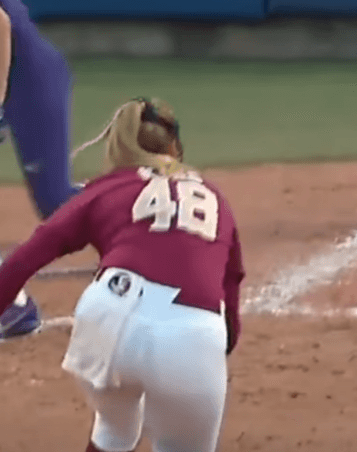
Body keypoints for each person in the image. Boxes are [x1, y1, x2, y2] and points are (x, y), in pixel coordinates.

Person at [0, 97, 245, 452]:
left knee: (114, 430)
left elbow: (24, 259)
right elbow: (231, 288)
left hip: (106, 318)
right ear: (175, 144)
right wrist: (217, 351)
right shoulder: (215, 198)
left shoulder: (106, 188)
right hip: (189, 335)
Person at [0, 0, 89, 337]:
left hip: (30, 83)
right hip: (16, 82)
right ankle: (12, 305)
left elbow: (0, 25)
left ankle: (143, 205)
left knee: (56, 202)